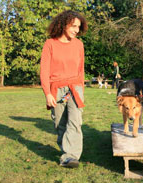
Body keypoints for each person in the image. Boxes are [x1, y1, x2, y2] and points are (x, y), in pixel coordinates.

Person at [40, 10, 88, 168]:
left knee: (75, 121)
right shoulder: (50, 44)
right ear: (63, 24)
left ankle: (70, 156)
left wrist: (81, 91)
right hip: (58, 90)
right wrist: (47, 93)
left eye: (78, 27)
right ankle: (66, 151)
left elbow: (81, 70)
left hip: (74, 90)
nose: (76, 30)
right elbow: (44, 71)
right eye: (73, 26)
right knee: (60, 123)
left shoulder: (79, 45)